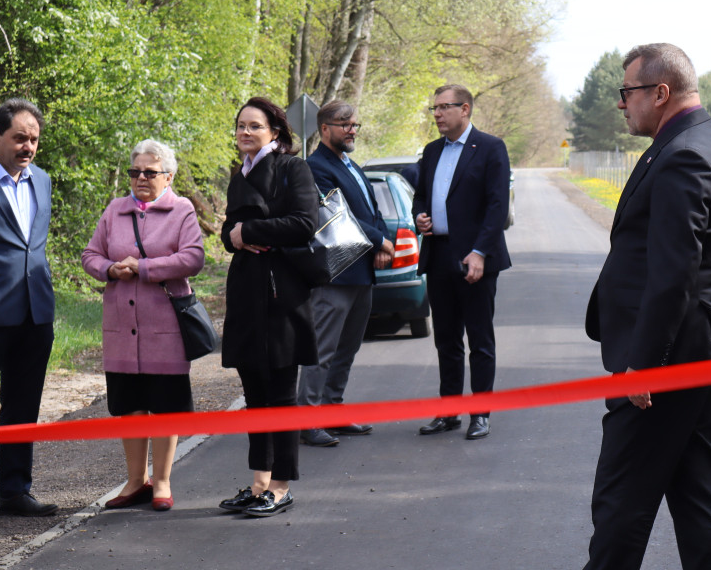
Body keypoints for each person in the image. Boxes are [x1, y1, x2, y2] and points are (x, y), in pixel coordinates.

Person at [546, 44, 711, 570]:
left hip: (672, 355)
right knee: (693, 495)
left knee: (621, 495)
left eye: (628, 92)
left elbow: (673, 274)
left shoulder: (686, 155)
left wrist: (645, 364)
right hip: (696, 348)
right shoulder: (695, 144)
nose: (621, 104)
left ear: (660, 93)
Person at [81, 139, 205, 512]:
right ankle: (136, 481)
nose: (140, 178)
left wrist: (145, 268)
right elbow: (90, 254)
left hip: (164, 328)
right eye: (135, 172)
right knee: (130, 406)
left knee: (165, 406)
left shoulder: (181, 210)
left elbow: (193, 257)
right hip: (121, 328)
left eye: (150, 172)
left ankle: (162, 482)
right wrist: (109, 269)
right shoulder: (114, 211)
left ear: (168, 176)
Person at [217, 97, 318, 518]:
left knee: (280, 395)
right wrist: (234, 236)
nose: (245, 132)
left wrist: (249, 230)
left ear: (275, 132)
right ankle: (259, 482)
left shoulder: (293, 168)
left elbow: (305, 223)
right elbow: (227, 230)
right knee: (253, 395)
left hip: (281, 295)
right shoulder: (238, 172)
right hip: (245, 291)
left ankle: (281, 485)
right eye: (240, 125)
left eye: (254, 126)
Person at [0, 99, 57, 535]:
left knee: (22, 407)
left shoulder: (41, 181)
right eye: (20, 137)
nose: (28, 146)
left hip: (34, 312)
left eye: (34, 139)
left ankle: (15, 492)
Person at [413, 84, 511, 440]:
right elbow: (421, 196)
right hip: (439, 255)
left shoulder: (489, 148)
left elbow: (497, 206)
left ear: (465, 109)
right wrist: (420, 216)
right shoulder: (432, 151)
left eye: (444, 107)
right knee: (446, 339)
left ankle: (480, 413)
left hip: (475, 260)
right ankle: (449, 410)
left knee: (480, 339)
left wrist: (481, 252)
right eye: (434, 108)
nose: (437, 114)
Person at [296, 100, 394, 447]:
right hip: (334, 274)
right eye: (345, 124)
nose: (352, 129)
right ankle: (307, 421)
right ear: (325, 129)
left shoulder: (350, 164)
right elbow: (340, 216)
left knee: (347, 348)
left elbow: (373, 210)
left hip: (363, 271)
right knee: (323, 349)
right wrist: (381, 240)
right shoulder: (314, 167)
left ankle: (332, 411)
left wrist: (382, 242)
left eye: (355, 124)